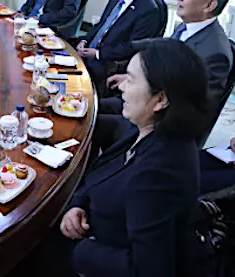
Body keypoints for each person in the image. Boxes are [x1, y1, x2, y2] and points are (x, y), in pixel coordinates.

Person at [60, 39, 208, 277]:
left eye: (130, 80)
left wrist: (83, 251)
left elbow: (149, 270)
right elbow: (106, 171)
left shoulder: (157, 175)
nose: (121, 87)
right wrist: (78, 203)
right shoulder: (148, 128)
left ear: (160, 100)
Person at [95, 0, 233, 150]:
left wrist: (141, 92)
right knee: (89, 105)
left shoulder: (214, 52)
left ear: (209, 5)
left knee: (90, 123)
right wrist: (134, 79)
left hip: (156, 128)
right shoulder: (187, 27)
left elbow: (194, 112)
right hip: (144, 102)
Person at [76, 0, 160, 86]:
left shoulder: (149, 10)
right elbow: (101, 25)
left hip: (108, 63)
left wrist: (98, 54)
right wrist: (85, 41)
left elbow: (132, 47)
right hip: (89, 52)